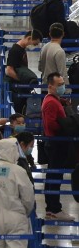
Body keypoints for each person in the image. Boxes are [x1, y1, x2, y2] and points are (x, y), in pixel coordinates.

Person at [40, 72, 74, 220]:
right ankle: (55, 208)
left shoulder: (55, 100)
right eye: (59, 85)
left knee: (53, 176)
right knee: (55, 177)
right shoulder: (51, 102)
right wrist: (66, 125)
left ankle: (51, 208)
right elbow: (51, 124)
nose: (62, 87)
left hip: (56, 142)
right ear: (50, 86)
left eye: (63, 84)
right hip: (56, 143)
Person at [5, 30, 42, 114]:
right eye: (35, 44)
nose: (35, 46)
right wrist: (22, 81)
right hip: (16, 88)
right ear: (29, 38)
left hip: (21, 87)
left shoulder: (22, 49)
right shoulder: (15, 50)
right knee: (19, 111)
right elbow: (9, 70)